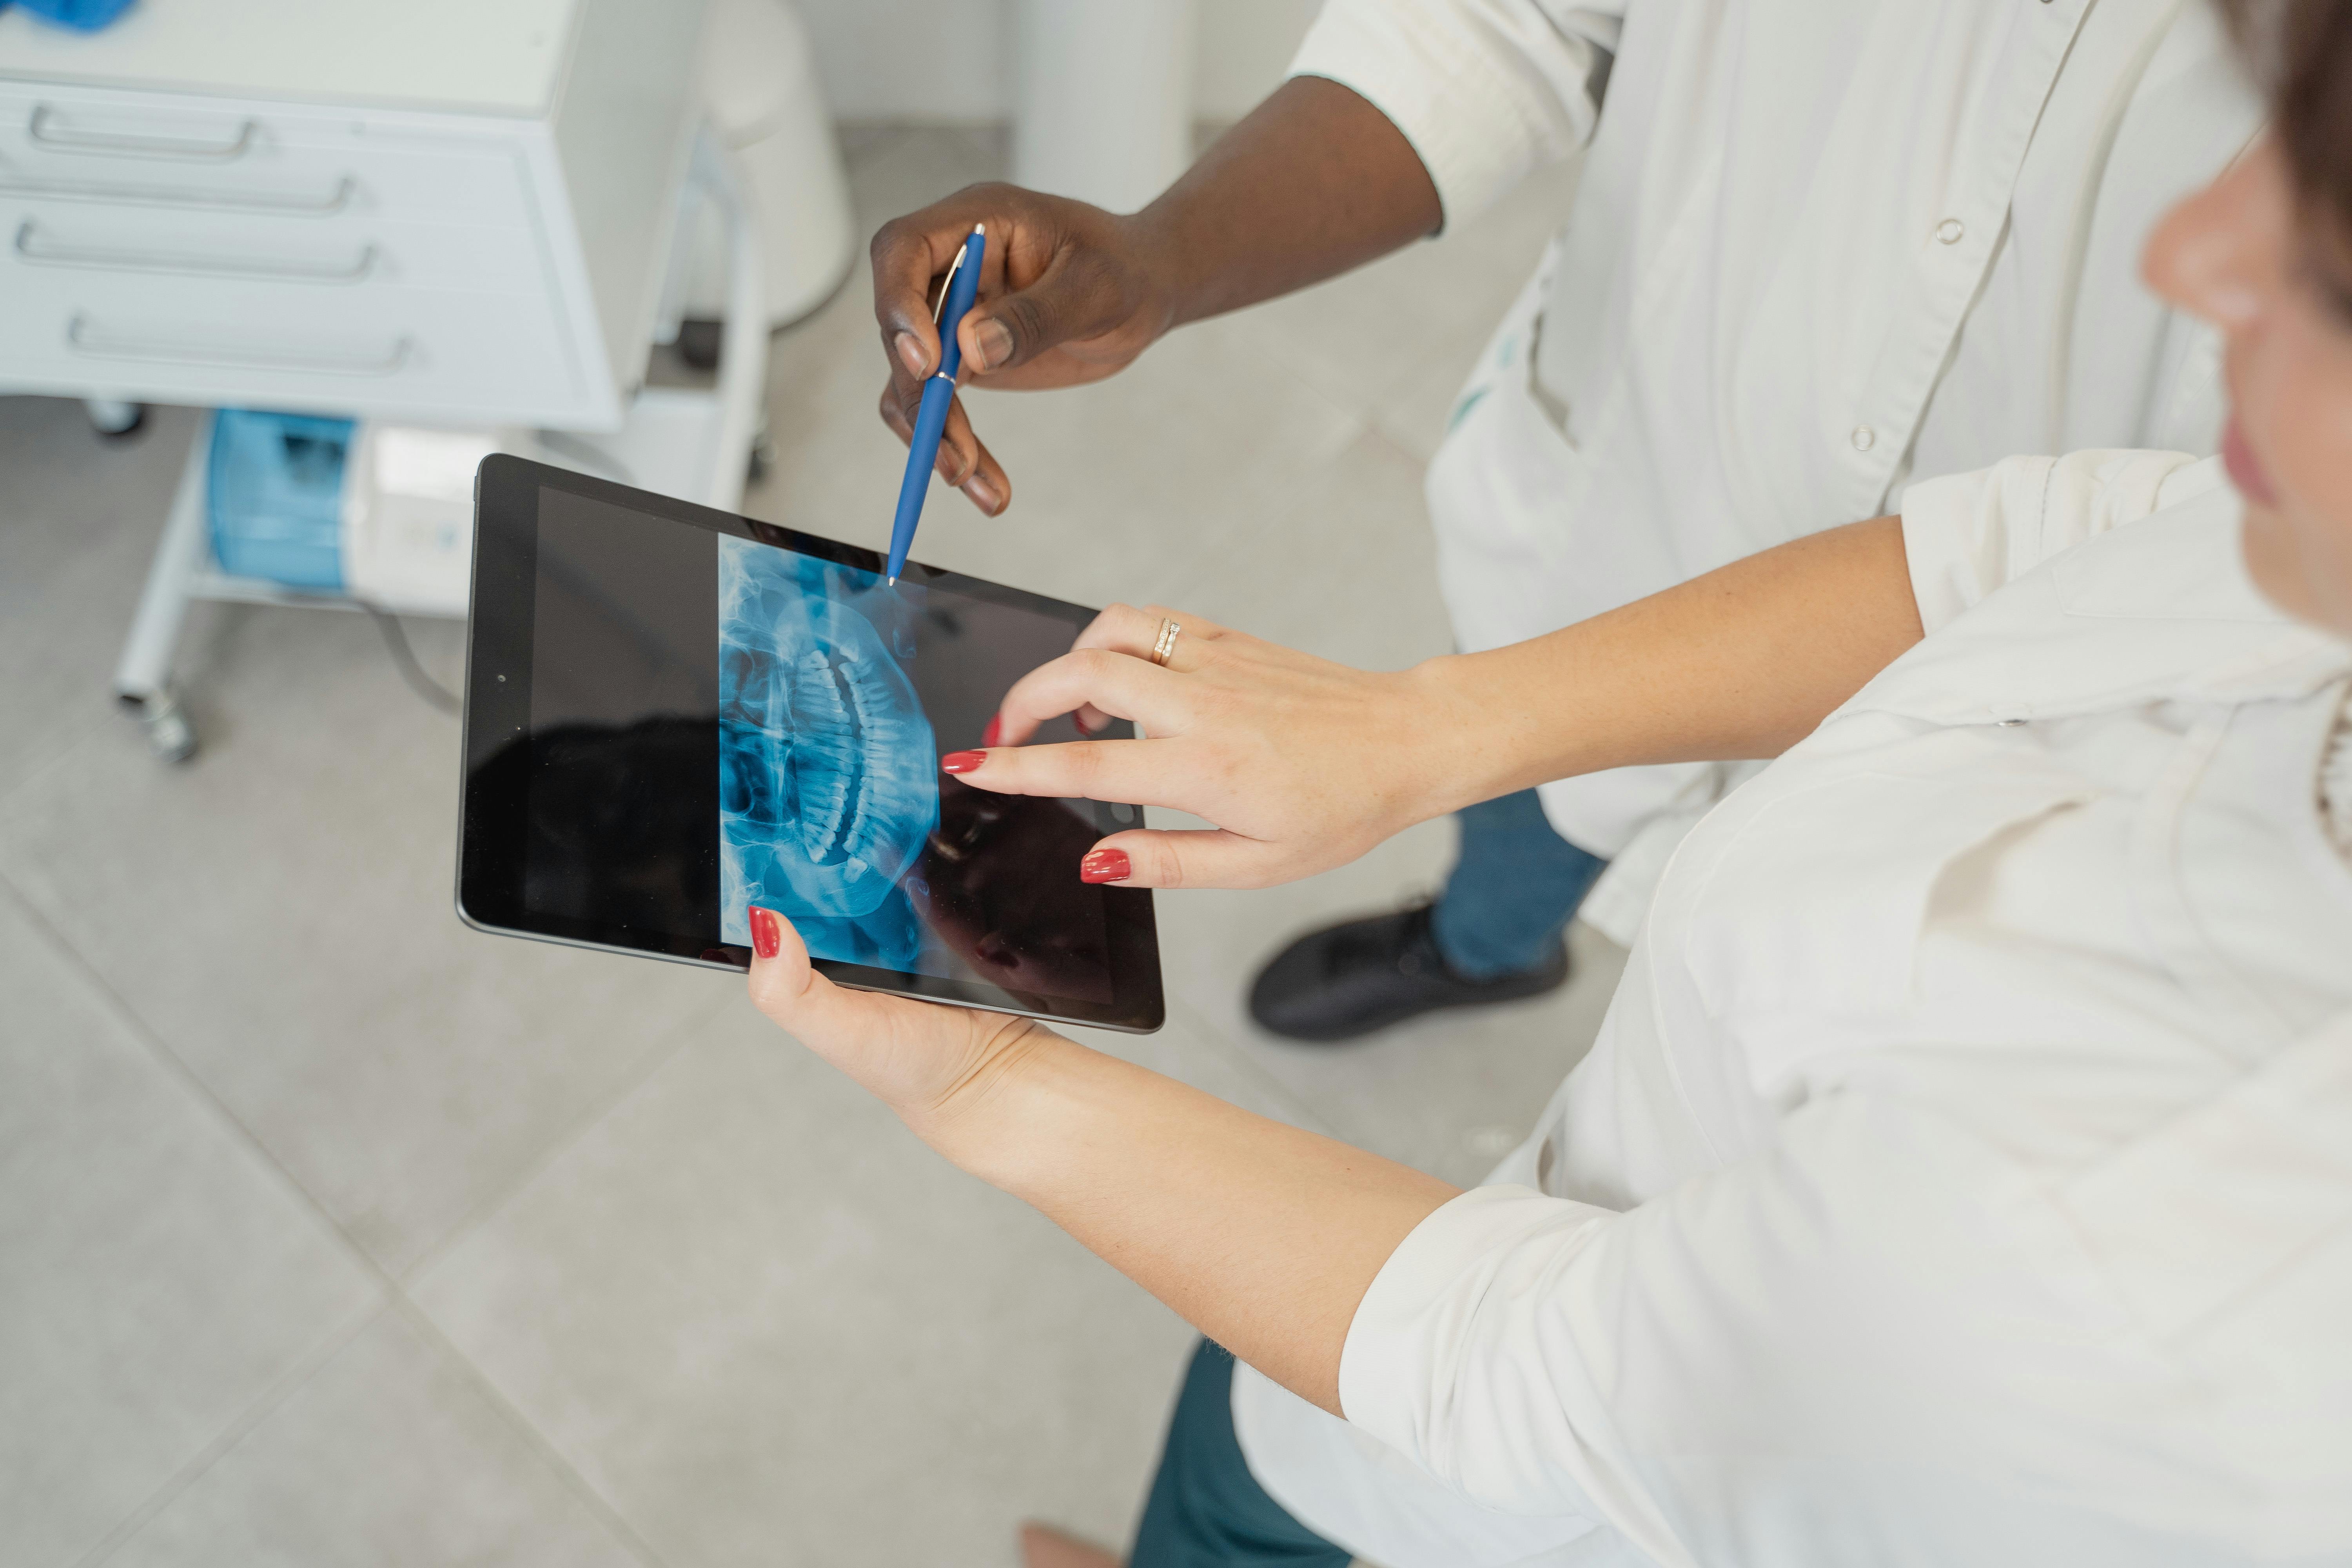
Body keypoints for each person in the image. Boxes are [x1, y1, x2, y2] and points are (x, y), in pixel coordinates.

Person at [752, 1, 2352, 1561]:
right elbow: (2025, 543)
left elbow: (1509, 1371)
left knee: (1260, 1475)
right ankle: (1480, 938)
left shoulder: (2158, 1269)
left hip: (1539, 1462)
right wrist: (1428, 731)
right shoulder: (2280, 573)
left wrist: (986, 1087)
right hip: (1627, 584)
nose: (2193, 257)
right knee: (1511, 867)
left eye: (2336, 268)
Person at [867, 0, 2263, 1043]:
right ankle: (1483, 950)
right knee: (1525, 831)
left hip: (2032, 763)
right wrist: (1164, 255)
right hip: (1623, 525)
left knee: (1788, 1037)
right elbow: (1511, 17)